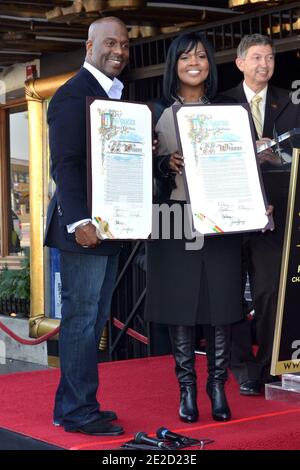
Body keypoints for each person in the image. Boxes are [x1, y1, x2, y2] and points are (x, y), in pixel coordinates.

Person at [145, 32, 244, 423]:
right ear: (174, 64)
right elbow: (141, 178)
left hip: (220, 221)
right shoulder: (154, 112)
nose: (194, 62)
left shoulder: (228, 111)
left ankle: (217, 386)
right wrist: (164, 164)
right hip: (172, 220)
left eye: (201, 56)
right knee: (179, 305)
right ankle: (186, 389)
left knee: (221, 304)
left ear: (209, 64)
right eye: (186, 56)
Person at [44, 17, 130, 436]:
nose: (119, 51)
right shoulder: (71, 95)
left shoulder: (112, 95)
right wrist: (80, 221)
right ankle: (79, 413)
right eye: (110, 43)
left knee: (92, 321)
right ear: (89, 46)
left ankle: (71, 406)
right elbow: (66, 165)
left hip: (109, 228)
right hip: (84, 231)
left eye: (125, 45)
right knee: (81, 320)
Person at [226, 34, 300, 396]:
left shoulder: (291, 101)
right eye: (256, 57)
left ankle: (271, 362)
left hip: (278, 211)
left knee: (271, 288)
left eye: (269, 58)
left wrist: (279, 157)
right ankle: (242, 368)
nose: (264, 65)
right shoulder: (222, 103)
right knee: (231, 291)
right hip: (230, 210)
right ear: (240, 62)